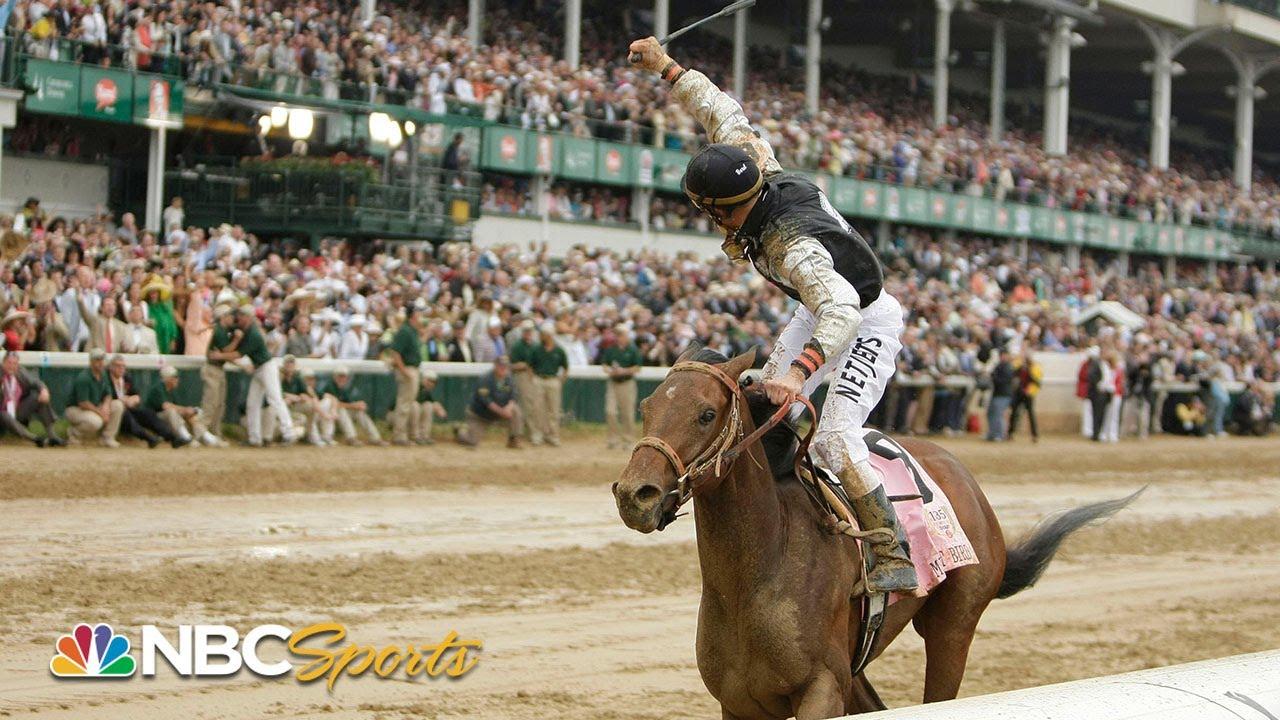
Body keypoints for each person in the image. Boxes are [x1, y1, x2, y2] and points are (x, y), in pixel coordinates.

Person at [630, 33, 918, 594]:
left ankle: (889, 549)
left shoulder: (793, 245)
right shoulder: (753, 160)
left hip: (862, 314)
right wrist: (665, 66)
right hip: (822, 307)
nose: (713, 226)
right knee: (757, 401)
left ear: (729, 207)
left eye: (713, 215)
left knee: (833, 434)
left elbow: (841, 310)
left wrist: (797, 372)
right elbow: (720, 109)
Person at [230, 306, 295, 447]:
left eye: (241, 316)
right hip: (258, 368)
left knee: (275, 399)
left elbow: (238, 354)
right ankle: (254, 438)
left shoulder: (253, 333)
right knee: (252, 403)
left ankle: (288, 433)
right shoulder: (247, 331)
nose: (238, 318)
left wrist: (220, 355)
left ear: (248, 317)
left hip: (266, 367)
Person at [106, 354, 188, 448]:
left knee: (147, 414)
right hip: (116, 410)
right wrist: (123, 400)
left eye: (123, 366)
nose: (121, 369)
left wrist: (133, 399)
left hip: (129, 407)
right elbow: (107, 396)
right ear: (111, 367)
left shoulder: (126, 378)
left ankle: (172, 438)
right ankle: (148, 438)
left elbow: (136, 395)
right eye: (118, 366)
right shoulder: (106, 379)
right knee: (128, 417)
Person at [455, 356, 521, 449]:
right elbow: (486, 401)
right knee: (472, 441)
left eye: (505, 366)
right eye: (501, 366)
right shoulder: (485, 378)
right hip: (480, 416)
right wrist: (502, 412)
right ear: (495, 366)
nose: (503, 368)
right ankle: (459, 432)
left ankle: (513, 439)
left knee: (515, 410)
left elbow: (514, 395)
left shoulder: (509, 378)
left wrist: (509, 408)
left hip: (498, 413)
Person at [0, 350, 65, 446]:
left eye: (14, 363)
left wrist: (44, 390)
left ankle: (52, 436)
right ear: (3, 363)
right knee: (3, 414)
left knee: (38, 397)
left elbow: (36, 382)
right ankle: (34, 438)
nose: (12, 366)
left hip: (16, 410)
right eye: (9, 363)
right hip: (1, 414)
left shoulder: (20, 373)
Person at [144, 365, 220, 447]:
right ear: (168, 378)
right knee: (171, 412)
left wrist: (188, 411)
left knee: (190, 415)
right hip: (154, 418)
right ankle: (186, 437)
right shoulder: (158, 388)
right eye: (175, 377)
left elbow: (176, 407)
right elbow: (166, 406)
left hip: (167, 417)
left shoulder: (171, 391)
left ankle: (207, 437)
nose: (177, 380)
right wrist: (185, 409)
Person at [64, 348, 124, 447]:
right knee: (96, 422)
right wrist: (101, 413)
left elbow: (108, 394)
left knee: (118, 405)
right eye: (97, 360)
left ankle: (107, 437)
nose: (100, 363)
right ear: (91, 362)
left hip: (94, 406)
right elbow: (83, 403)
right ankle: (73, 434)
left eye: (102, 360)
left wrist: (106, 406)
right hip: (75, 409)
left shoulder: (103, 374)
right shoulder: (84, 378)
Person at [385, 306, 424, 445]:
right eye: (419, 313)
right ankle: (399, 436)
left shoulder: (412, 330)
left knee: (408, 403)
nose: (421, 316)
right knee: (404, 404)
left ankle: (407, 434)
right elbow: (395, 352)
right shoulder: (405, 331)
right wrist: (403, 370)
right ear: (413, 315)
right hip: (408, 369)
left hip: (412, 369)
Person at [319, 366, 386, 446]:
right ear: (335, 376)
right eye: (340, 376)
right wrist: (354, 405)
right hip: (325, 413)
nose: (342, 378)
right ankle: (351, 438)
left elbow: (348, 403)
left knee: (359, 412)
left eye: (344, 376)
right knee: (342, 410)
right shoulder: (330, 386)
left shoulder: (342, 389)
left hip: (335, 414)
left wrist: (358, 405)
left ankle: (375, 438)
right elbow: (337, 404)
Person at [201, 305, 238, 444]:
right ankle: (201, 434)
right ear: (223, 317)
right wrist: (237, 340)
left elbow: (222, 355)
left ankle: (214, 433)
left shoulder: (224, 331)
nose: (232, 318)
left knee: (219, 404)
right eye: (229, 315)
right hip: (212, 369)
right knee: (210, 404)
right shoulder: (219, 332)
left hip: (218, 369)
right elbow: (226, 352)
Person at [600, 325, 641, 449]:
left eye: (621, 335)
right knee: (610, 411)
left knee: (627, 413)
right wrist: (610, 371)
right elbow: (604, 365)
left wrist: (624, 371)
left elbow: (637, 367)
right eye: (618, 335)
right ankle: (613, 440)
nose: (620, 338)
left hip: (627, 383)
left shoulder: (633, 350)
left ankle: (628, 440)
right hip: (613, 383)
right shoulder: (611, 350)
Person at [529, 322, 568, 447]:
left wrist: (560, 380)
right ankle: (537, 435)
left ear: (549, 335)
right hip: (539, 379)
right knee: (538, 409)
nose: (540, 336)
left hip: (553, 380)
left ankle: (553, 436)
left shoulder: (559, 350)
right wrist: (533, 379)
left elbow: (565, 367)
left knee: (554, 410)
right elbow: (530, 365)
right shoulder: (536, 349)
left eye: (542, 334)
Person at [508, 320, 538, 440]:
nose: (528, 333)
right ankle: (527, 432)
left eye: (530, 330)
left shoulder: (535, 345)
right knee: (526, 405)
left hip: (534, 376)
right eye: (526, 331)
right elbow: (513, 365)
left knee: (534, 404)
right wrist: (526, 365)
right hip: (522, 377)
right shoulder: (517, 346)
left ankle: (534, 431)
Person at [1008, 347, 1041, 442]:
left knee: (1030, 414)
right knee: (1014, 413)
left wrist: (1029, 391)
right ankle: (1010, 433)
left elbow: (1037, 382)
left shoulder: (1035, 368)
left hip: (1028, 394)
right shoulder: (1020, 367)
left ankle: (1034, 435)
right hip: (1019, 393)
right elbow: (1013, 374)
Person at [986, 349, 1014, 442]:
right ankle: (992, 433)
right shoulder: (999, 366)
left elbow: (1004, 380)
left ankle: (1000, 435)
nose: (1002, 357)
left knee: (998, 414)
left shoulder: (1008, 367)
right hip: (997, 393)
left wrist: (994, 377)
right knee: (991, 413)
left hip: (1003, 394)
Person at [413, 366, 447, 445]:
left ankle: (424, 436)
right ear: (423, 379)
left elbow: (432, 402)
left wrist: (437, 407)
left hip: (408, 418)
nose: (431, 384)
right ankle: (414, 436)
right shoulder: (415, 386)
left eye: (434, 382)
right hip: (395, 416)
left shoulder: (425, 391)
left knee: (428, 405)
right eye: (429, 380)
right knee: (415, 406)